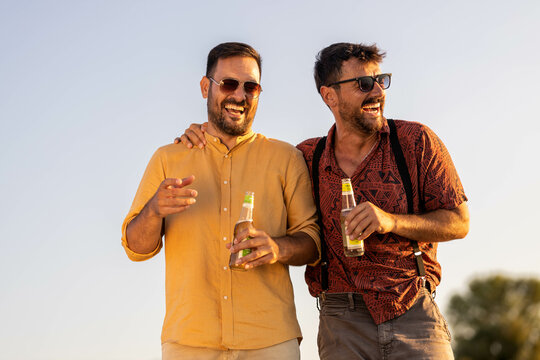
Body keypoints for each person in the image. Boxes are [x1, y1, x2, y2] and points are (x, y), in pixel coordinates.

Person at [178, 42, 470, 359]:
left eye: (380, 80)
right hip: (341, 323)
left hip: (414, 311)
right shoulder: (306, 157)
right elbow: (248, 156)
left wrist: (391, 220)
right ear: (329, 95)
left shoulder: (416, 141)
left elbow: (459, 221)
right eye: (363, 83)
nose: (376, 92)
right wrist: (205, 135)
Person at [122, 42, 320, 360]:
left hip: (270, 340)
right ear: (206, 87)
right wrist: (154, 209)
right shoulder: (168, 158)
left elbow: (312, 242)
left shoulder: (286, 158)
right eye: (229, 83)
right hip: (189, 342)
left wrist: (277, 248)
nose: (239, 95)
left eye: (250, 86)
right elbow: (136, 246)